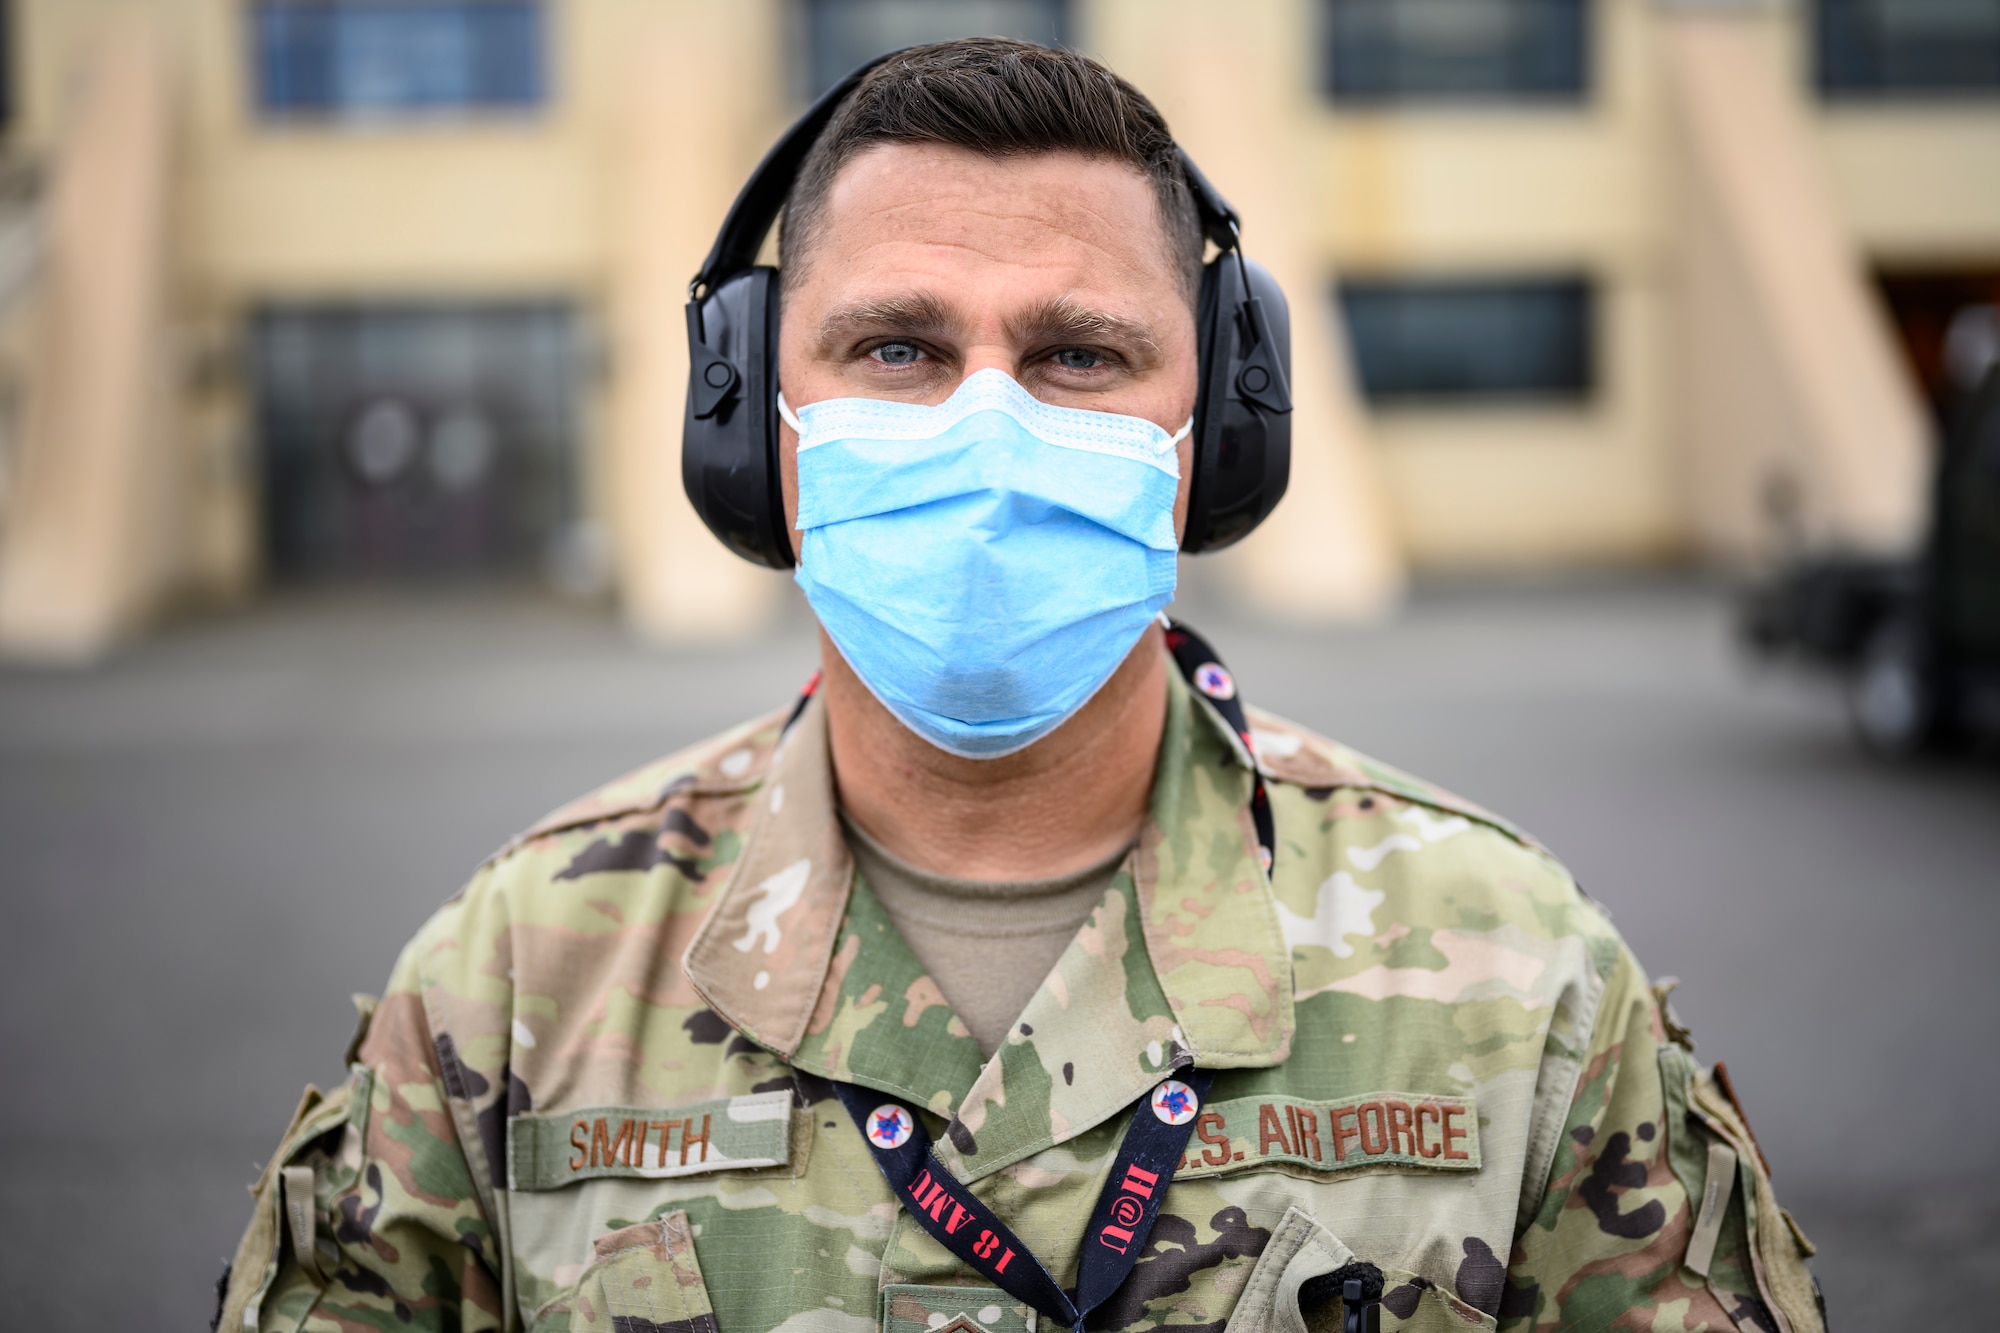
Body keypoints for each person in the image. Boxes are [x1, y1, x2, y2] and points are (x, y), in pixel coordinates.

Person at [218, 40, 1824, 1333]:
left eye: (1078, 354)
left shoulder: (1520, 975)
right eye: (900, 350)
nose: (988, 433)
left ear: (1220, 434)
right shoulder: (513, 977)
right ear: (750, 427)